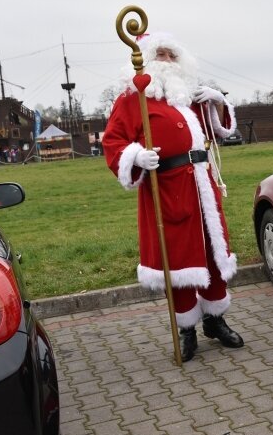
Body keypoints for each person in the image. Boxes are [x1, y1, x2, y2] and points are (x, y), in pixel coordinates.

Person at [102, 32, 244, 362]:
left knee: (211, 251)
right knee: (178, 259)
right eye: (160, 55)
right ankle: (187, 329)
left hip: (202, 186)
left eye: (171, 55)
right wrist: (136, 157)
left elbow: (219, 130)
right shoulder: (132, 98)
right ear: (147, 59)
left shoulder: (186, 96)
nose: (166, 61)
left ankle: (215, 320)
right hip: (166, 187)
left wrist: (218, 101)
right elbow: (113, 142)